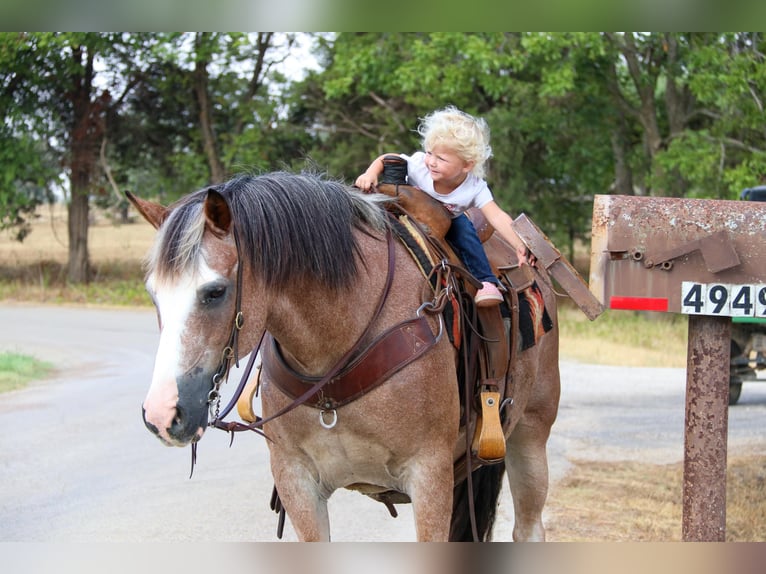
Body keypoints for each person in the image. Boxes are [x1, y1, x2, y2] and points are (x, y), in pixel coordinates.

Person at [355, 105, 532, 307]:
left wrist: (519, 244)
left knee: (466, 235)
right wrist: (370, 174)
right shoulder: (420, 164)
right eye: (430, 152)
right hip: (412, 209)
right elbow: (387, 159)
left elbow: (496, 216)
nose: (431, 162)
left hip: (449, 218)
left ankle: (486, 281)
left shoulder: (474, 187)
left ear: (466, 165)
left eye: (441, 158)